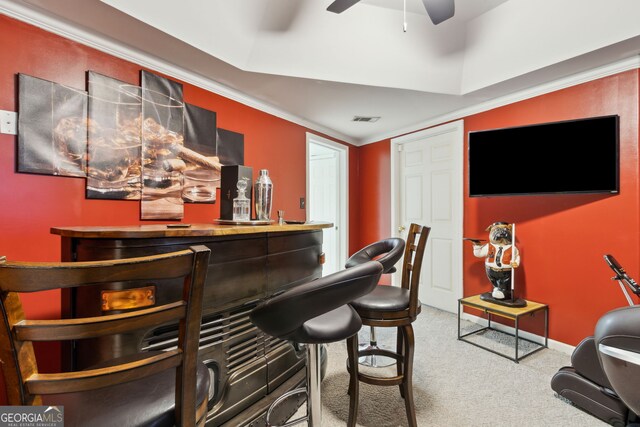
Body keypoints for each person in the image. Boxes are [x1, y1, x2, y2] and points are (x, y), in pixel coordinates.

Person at [472, 222, 524, 306]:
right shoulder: (489, 246)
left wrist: (515, 263)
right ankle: (498, 290)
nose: (501, 233)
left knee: (504, 285)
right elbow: (479, 254)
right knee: (495, 283)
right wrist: (477, 246)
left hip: (505, 272)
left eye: (505, 230)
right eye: (496, 230)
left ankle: (503, 292)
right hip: (490, 270)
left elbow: (516, 257)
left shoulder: (512, 248)